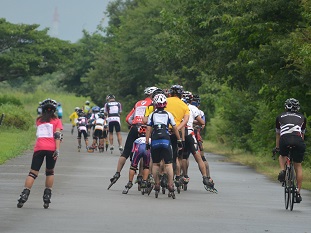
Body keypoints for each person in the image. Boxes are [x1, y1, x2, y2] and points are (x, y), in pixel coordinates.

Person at [17, 98, 63, 209]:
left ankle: (24, 195)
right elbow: (57, 136)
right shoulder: (57, 121)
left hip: (39, 149)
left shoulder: (39, 120)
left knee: (33, 173)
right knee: (50, 172)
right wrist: (57, 149)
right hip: (51, 148)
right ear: (54, 110)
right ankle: (47, 196)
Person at [108, 87, 157, 189]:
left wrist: (134, 124)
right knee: (146, 150)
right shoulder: (153, 104)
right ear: (153, 95)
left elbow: (128, 119)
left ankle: (117, 173)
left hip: (135, 127)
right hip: (146, 128)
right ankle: (141, 176)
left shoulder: (138, 103)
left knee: (125, 152)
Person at [146, 93, 183, 198]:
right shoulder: (168, 114)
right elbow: (175, 128)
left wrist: (147, 142)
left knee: (156, 164)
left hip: (155, 140)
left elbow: (148, 128)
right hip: (166, 140)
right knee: (168, 164)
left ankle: (157, 184)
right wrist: (179, 139)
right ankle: (170, 185)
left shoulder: (152, 115)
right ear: (165, 104)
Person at [181, 91, 216, 192]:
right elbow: (202, 124)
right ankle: (206, 177)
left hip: (183, 133)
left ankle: (184, 175)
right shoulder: (196, 110)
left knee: (183, 156)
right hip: (193, 134)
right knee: (200, 157)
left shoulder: (180, 106)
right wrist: (193, 123)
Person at [274, 98, 306, 203]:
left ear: (286, 107)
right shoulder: (302, 117)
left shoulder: (280, 117)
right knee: (298, 165)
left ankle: (283, 171)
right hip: (298, 140)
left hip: (285, 139)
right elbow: (302, 135)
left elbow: (278, 134)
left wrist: (277, 147)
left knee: (282, 155)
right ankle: (298, 191)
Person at [122, 125, 151, 194]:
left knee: (133, 167)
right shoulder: (150, 139)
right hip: (147, 151)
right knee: (146, 167)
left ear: (139, 134)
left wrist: (132, 160)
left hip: (138, 150)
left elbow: (132, 151)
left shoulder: (137, 139)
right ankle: (144, 181)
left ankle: (129, 183)